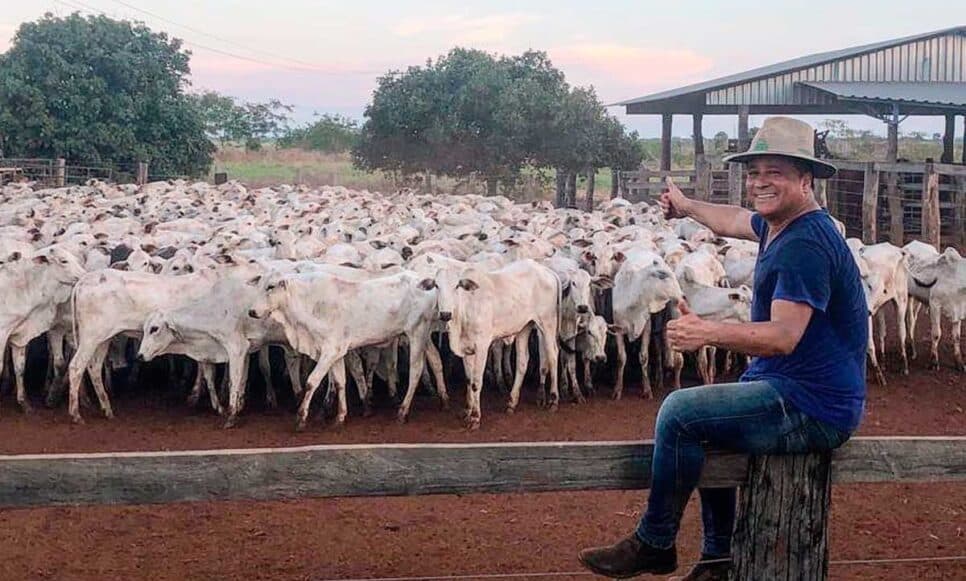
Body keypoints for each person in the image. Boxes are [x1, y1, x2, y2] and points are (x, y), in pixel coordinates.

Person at [577, 117, 868, 580]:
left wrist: (706, 332)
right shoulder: (782, 224)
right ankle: (717, 559)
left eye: (774, 172)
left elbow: (783, 336)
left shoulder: (804, 245)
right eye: (754, 172)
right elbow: (734, 219)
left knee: (680, 413)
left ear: (805, 179)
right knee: (710, 424)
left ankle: (655, 543)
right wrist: (687, 206)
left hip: (814, 405)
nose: (759, 182)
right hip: (792, 387)